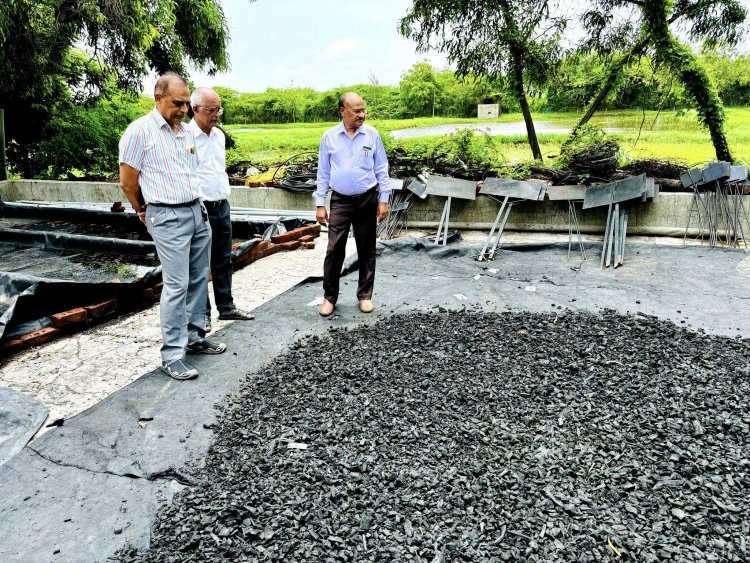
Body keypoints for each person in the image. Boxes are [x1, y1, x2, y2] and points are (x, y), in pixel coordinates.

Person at [119, 72, 226, 381]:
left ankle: (194, 336)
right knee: (176, 284)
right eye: (177, 103)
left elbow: (190, 171)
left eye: (186, 104)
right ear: (158, 98)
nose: (183, 109)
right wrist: (142, 208)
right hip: (166, 215)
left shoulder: (186, 132)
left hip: (196, 210)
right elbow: (127, 182)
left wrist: (199, 208)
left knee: (196, 279)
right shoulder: (140, 132)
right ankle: (172, 354)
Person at [314, 92, 390, 317]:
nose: (362, 115)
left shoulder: (371, 135)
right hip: (340, 201)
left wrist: (383, 199)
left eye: (363, 110)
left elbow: (381, 168)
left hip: (367, 198)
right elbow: (323, 172)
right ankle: (329, 297)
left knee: (366, 249)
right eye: (357, 111)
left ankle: (365, 296)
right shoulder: (329, 137)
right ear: (342, 112)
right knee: (334, 249)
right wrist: (320, 203)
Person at [189, 87, 255, 332]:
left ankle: (226, 307)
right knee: (199, 264)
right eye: (211, 110)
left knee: (223, 259)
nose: (217, 114)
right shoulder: (185, 136)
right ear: (195, 109)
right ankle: (202, 315)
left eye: (219, 109)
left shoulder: (218, 136)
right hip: (199, 206)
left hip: (221, 205)